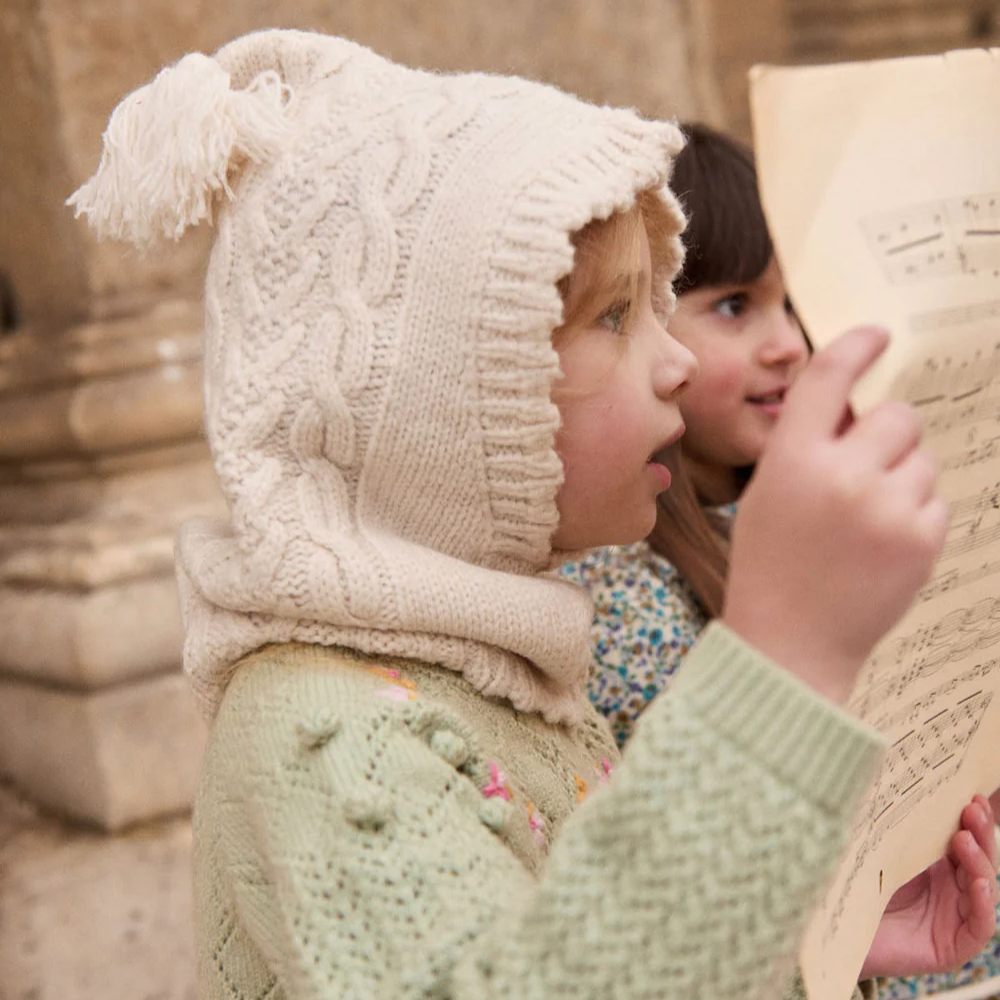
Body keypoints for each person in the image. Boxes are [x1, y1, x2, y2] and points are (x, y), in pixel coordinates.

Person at [69, 30, 976, 1000]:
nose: (670, 361)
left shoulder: (503, 673)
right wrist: (783, 657)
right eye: (616, 318)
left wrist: (800, 942)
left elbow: (598, 954)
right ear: (435, 405)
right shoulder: (324, 737)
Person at [559, 122, 1000, 992]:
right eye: (735, 306)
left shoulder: (830, 513)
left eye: (794, 303)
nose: (789, 344)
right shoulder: (621, 591)